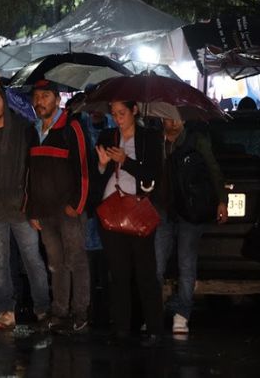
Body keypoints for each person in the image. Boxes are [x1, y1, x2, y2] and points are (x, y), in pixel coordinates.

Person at [0, 85, 51, 329]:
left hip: (22, 208)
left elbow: (33, 166)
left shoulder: (23, 130)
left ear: (4, 101)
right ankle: (6, 310)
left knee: (32, 260)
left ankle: (43, 308)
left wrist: (27, 197)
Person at [93, 100, 164, 343]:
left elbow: (154, 174)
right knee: (118, 273)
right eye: (113, 113)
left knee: (146, 272)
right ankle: (121, 327)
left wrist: (126, 160)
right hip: (111, 211)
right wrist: (102, 165)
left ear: (134, 111)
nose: (117, 118)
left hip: (138, 210)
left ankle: (154, 327)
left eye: (122, 113)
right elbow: (95, 175)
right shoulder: (107, 134)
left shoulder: (150, 138)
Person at [25, 80, 91, 333]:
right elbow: (29, 173)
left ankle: (80, 311)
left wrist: (77, 203)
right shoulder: (33, 131)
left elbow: (83, 169)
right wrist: (31, 210)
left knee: (76, 260)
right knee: (56, 263)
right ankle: (60, 310)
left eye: (45, 96)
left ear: (57, 99)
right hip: (44, 212)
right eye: (37, 96)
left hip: (68, 211)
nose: (40, 101)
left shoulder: (71, 127)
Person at [156, 117, 228, 334]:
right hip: (163, 209)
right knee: (156, 265)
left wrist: (221, 200)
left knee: (186, 264)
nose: (174, 122)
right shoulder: (156, 142)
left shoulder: (197, 141)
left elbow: (213, 169)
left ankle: (182, 314)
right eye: (168, 117)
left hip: (190, 209)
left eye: (178, 117)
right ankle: (154, 314)